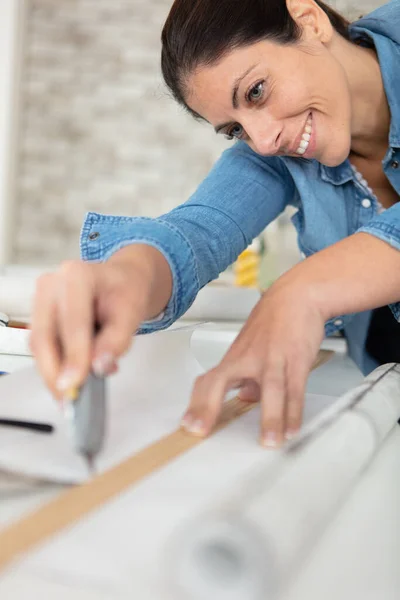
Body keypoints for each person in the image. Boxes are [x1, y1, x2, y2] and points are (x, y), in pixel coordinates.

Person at [30, 0, 400, 448]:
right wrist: (126, 276)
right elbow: (199, 229)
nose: (262, 141)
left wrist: (304, 288)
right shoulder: (281, 153)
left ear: (308, 19)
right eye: (235, 129)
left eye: (257, 91)